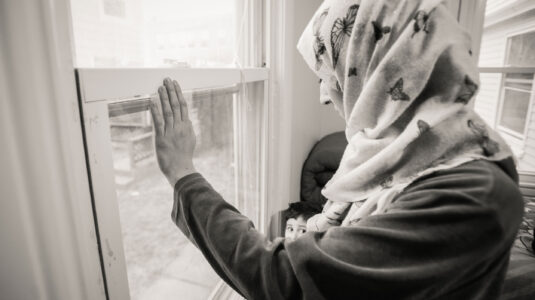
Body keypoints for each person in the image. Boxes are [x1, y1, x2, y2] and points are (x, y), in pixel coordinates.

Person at [149, 1, 524, 299]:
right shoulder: (406, 154)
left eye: (328, 77)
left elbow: (285, 281)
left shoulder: (474, 196)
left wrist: (184, 175)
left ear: (380, 71)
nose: (323, 95)